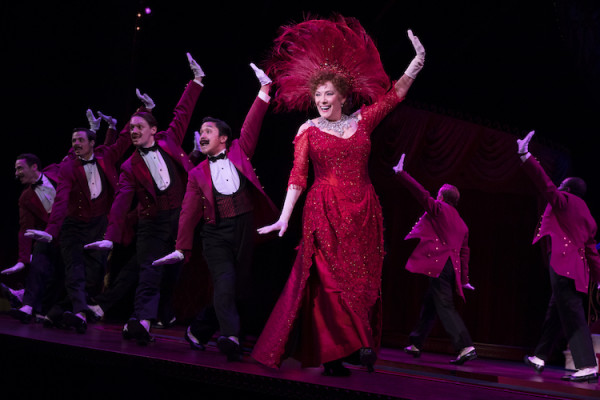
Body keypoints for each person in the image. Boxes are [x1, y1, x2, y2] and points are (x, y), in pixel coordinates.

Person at [251, 16, 426, 376]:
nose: (322, 100)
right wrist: (284, 217)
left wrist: (417, 62)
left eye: (329, 94)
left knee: (360, 280)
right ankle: (343, 351)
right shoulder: (308, 130)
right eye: (317, 95)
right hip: (324, 210)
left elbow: (397, 94)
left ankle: (351, 347)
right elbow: (298, 177)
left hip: (363, 209)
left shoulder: (363, 121)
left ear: (344, 96)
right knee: (328, 283)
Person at [153, 63, 279, 361]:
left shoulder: (238, 150)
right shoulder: (197, 173)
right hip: (215, 233)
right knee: (223, 281)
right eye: (200, 131)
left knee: (238, 286)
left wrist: (264, 90)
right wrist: (182, 247)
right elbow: (188, 211)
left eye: (207, 130)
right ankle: (231, 337)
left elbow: (252, 124)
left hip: (245, 227)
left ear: (223, 138)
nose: (202, 134)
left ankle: (199, 329)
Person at [85, 53, 205, 345]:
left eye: (139, 127)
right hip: (151, 223)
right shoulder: (129, 167)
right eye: (131, 128)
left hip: (179, 218)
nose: (134, 131)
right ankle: (143, 322)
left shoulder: (169, 140)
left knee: (173, 273)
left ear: (153, 130)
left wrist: (196, 82)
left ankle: (161, 312)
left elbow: (182, 113)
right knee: (148, 272)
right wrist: (111, 237)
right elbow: (121, 202)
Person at [25, 109, 133, 333]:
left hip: (98, 224)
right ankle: (80, 314)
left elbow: (123, 141)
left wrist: (143, 111)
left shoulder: (105, 157)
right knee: (74, 271)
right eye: (73, 141)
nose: (76, 144)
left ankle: (56, 312)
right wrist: (53, 230)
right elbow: (61, 199)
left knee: (93, 275)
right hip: (72, 225)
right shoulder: (68, 167)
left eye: (80, 140)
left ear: (92, 142)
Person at [519, 131, 600, 383]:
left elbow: (546, 186)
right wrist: (597, 280)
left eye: (562, 185)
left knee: (572, 313)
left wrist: (526, 156)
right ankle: (541, 356)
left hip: (562, 263)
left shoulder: (564, 200)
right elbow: (592, 253)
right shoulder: (588, 215)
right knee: (556, 312)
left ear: (567, 188)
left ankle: (587, 365)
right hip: (577, 271)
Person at [392, 153, 476, 365]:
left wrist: (401, 173)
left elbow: (421, 194)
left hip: (439, 265)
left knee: (445, 305)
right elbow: (465, 253)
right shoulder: (463, 224)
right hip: (451, 268)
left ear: (441, 197)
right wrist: (464, 279)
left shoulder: (439, 209)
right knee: (431, 303)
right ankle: (416, 343)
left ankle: (465, 346)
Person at [2, 153, 62, 323]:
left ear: (34, 167)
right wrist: (22, 260)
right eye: (15, 169)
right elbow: (25, 229)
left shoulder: (56, 171)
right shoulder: (25, 198)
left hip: (73, 231)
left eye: (20, 168)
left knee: (61, 274)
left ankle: (38, 306)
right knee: (38, 261)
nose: (16, 173)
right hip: (49, 236)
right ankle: (27, 306)